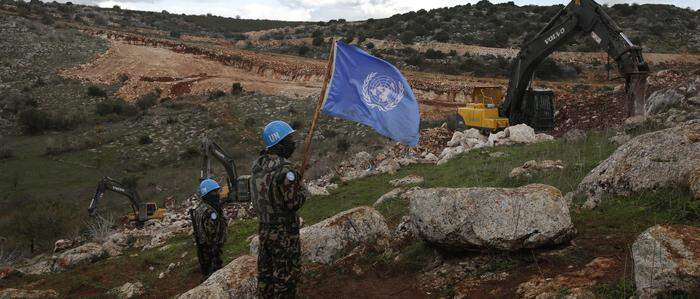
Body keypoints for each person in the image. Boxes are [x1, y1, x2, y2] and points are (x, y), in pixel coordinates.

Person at [251, 120, 308, 298]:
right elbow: (293, 203)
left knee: (266, 275)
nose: (292, 143)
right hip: (284, 231)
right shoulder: (286, 170)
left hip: (264, 229)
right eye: (289, 139)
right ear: (280, 143)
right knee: (286, 276)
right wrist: (302, 188)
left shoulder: (258, 166)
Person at [190, 178, 228, 278]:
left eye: (217, 191)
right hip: (210, 249)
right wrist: (217, 245)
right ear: (208, 194)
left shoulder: (200, 207)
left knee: (208, 272)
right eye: (214, 192)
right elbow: (212, 233)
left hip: (203, 247)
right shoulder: (209, 211)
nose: (218, 194)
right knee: (214, 275)